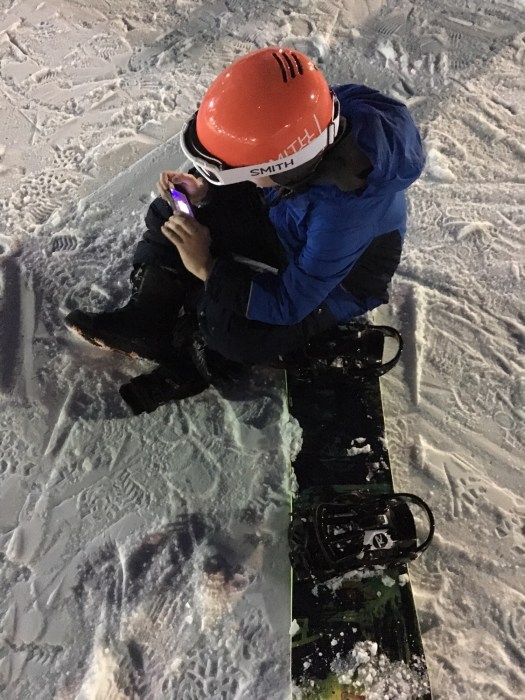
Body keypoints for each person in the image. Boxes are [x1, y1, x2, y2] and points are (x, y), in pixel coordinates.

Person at [65, 47, 425, 414]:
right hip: (288, 216)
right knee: (172, 214)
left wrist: (207, 268)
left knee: (232, 331)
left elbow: (290, 302)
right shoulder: (312, 124)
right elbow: (266, 162)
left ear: (284, 168)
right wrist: (205, 193)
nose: (238, 176)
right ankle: (148, 319)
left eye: (246, 170)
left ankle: (199, 361)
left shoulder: (344, 215)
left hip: (336, 284)